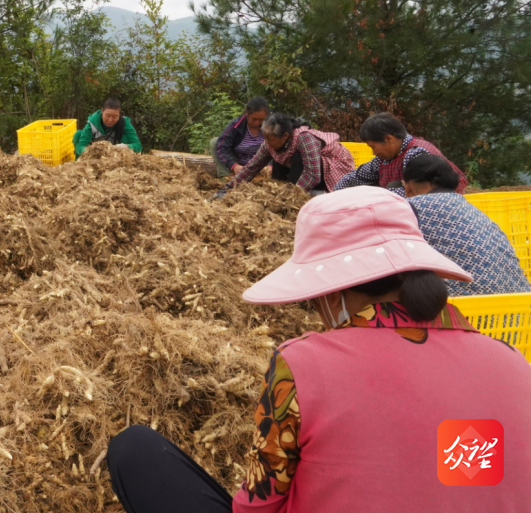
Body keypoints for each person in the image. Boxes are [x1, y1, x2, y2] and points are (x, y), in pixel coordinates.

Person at [105, 187, 531, 512]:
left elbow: (257, 504)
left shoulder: (304, 363)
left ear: (332, 297)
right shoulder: (512, 362)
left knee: (135, 450)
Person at [403, 153, 530, 296]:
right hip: (521, 308)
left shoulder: (412, 207)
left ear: (409, 185)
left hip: (469, 310)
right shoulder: (471, 209)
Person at [216, 113, 354, 196]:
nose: (266, 142)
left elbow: (313, 174)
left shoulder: (305, 138)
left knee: (296, 156)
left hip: (333, 167)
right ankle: (283, 188)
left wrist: (289, 196)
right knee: (277, 155)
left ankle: (296, 191)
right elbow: (251, 167)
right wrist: (228, 188)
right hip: (310, 169)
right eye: (265, 138)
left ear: (285, 136)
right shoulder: (270, 143)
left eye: (270, 139)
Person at [335, 112, 468, 195]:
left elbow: (415, 192)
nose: (374, 152)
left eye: (373, 147)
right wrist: (333, 195)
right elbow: (357, 176)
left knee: (392, 187)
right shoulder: (385, 158)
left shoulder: (417, 154)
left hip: (434, 206)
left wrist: (370, 197)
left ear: (388, 139)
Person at [211, 97, 270, 178]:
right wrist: (234, 166)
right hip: (239, 166)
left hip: (263, 168)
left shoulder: (271, 127)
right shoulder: (236, 126)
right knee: (215, 142)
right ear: (247, 113)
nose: (257, 122)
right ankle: (226, 178)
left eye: (261, 120)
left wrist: (271, 166)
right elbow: (221, 147)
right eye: (254, 119)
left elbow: (280, 147)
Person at [73, 98, 142, 157]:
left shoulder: (124, 123)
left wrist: (124, 147)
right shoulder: (92, 123)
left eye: (115, 117)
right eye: (107, 116)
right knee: (78, 134)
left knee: (125, 137)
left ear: (119, 115)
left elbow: (138, 146)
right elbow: (80, 147)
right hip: (95, 155)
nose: (110, 120)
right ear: (102, 111)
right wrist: (91, 151)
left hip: (115, 154)